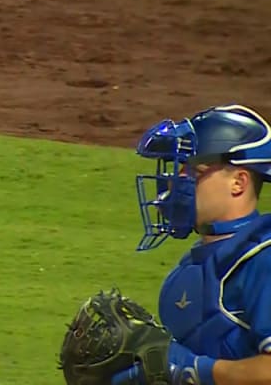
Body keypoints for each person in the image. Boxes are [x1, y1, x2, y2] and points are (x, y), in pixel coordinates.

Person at [114, 104, 271, 384]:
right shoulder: (191, 268)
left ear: (239, 182)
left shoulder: (262, 260)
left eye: (193, 171)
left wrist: (196, 371)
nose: (175, 183)